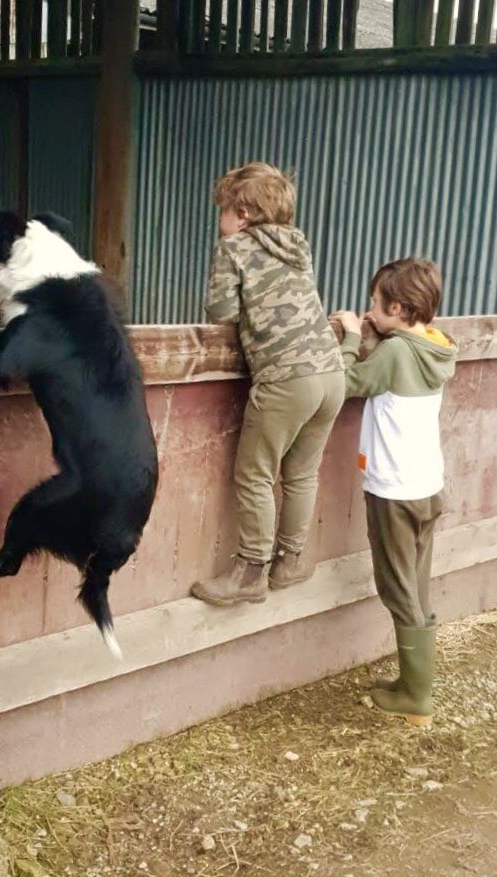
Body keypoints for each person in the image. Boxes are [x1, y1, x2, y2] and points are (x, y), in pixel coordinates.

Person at [191, 162, 344, 606]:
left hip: (287, 377)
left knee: (254, 474)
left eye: (222, 210)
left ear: (242, 213)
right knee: (301, 474)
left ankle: (249, 572)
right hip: (331, 373)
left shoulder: (234, 246)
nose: (219, 220)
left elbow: (220, 310)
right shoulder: (298, 244)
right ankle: (290, 563)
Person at [334, 258, 457, 726]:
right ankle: (412, 684)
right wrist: (378, 332)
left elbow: (347, 383)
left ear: (400, 308)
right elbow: (392, 361)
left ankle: (417, 699)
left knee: (396, 585)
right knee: (417, 585)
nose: (368, 309)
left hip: (394, 489)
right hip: (428, 485)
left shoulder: (394, 354)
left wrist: (349, 337)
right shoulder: (435, 346)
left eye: (376, 303)